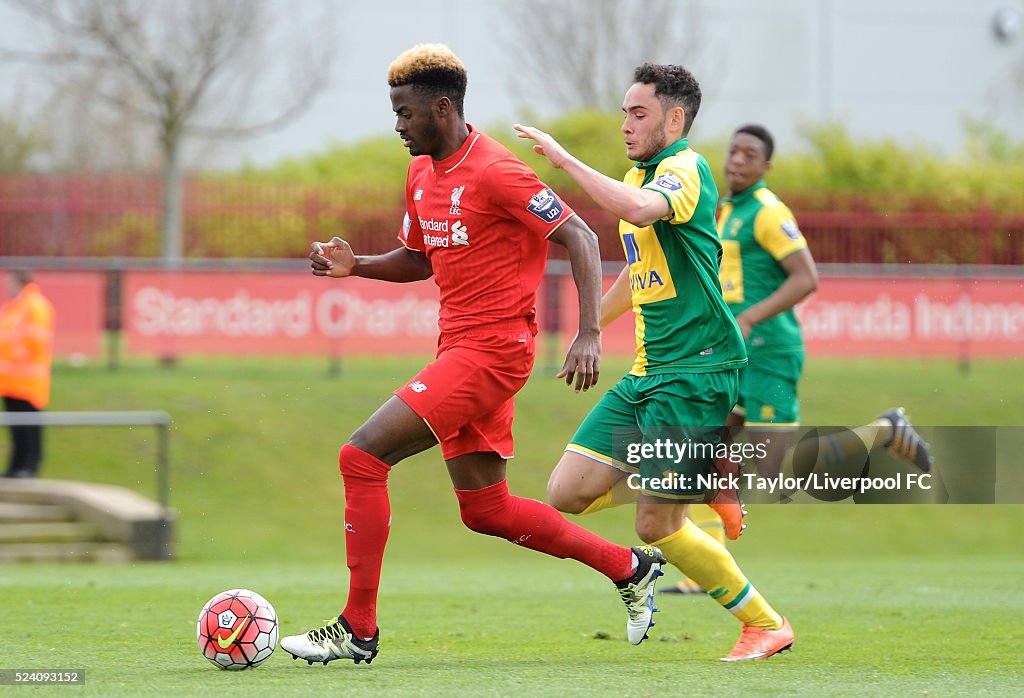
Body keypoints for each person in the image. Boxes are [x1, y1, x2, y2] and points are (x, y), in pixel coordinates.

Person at [279, 44, 666, 667]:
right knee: (485, 509)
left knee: (361, 457)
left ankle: (357, 628)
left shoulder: (496, 171)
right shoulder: (421, 174)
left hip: (493, 352)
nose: (398, 125)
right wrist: (357, 269)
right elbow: (418, 259)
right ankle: (630, 567)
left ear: (441, 107)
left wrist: (589, 331)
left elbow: (580, 235)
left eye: (405, 113)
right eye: (394, 113)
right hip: (459, 348)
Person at [516, 63, 795, 662]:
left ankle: (764, 623)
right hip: (650, 371)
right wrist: (589, 329)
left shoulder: (684, 170)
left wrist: (564, 162)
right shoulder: (639, 175)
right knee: (567, 491)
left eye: (638, 113)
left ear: (674, 117)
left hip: (698, 369)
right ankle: (703, 477)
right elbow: (640, 275)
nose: (625, 124)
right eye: (624, 112)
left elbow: (642, 211)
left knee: (654, 527)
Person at [0, 270, 55, 478]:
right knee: (16, 428)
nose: (7, 287)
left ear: (22, 282)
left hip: (28, 381)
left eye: (11, 283)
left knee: (30, 427)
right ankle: (16, 467)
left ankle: (29, 467)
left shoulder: (35, 306)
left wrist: (16, 355)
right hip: (9, 381)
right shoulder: (11, 308)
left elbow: (35, 340)